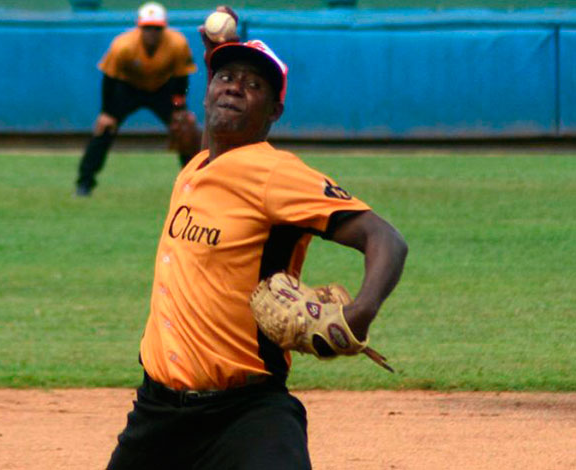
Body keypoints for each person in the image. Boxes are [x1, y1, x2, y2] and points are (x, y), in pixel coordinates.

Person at [106, 36, 408, 469]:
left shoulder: (276, 173)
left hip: (245, 415)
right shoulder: (196, 167)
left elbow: (386, 239)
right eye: (225, 78)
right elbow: (218, 152)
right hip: (156, 415)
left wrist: (359, 313)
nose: (233, 87)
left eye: (253, 85)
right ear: (207, 91)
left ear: (274, 111)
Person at [74, 2, 198, 197]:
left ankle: (195, 185)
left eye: (156, 28)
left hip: (162, 90)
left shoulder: (177, 44)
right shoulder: (123, 45)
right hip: (129, 88)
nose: (152, 33)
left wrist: (178, 108)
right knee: (105, 128)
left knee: (184, 131)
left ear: (164, 27)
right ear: (139, 27)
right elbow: (109, 79)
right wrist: (107, 112)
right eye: (147, 27)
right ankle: (84, 183)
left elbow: (181, 80)